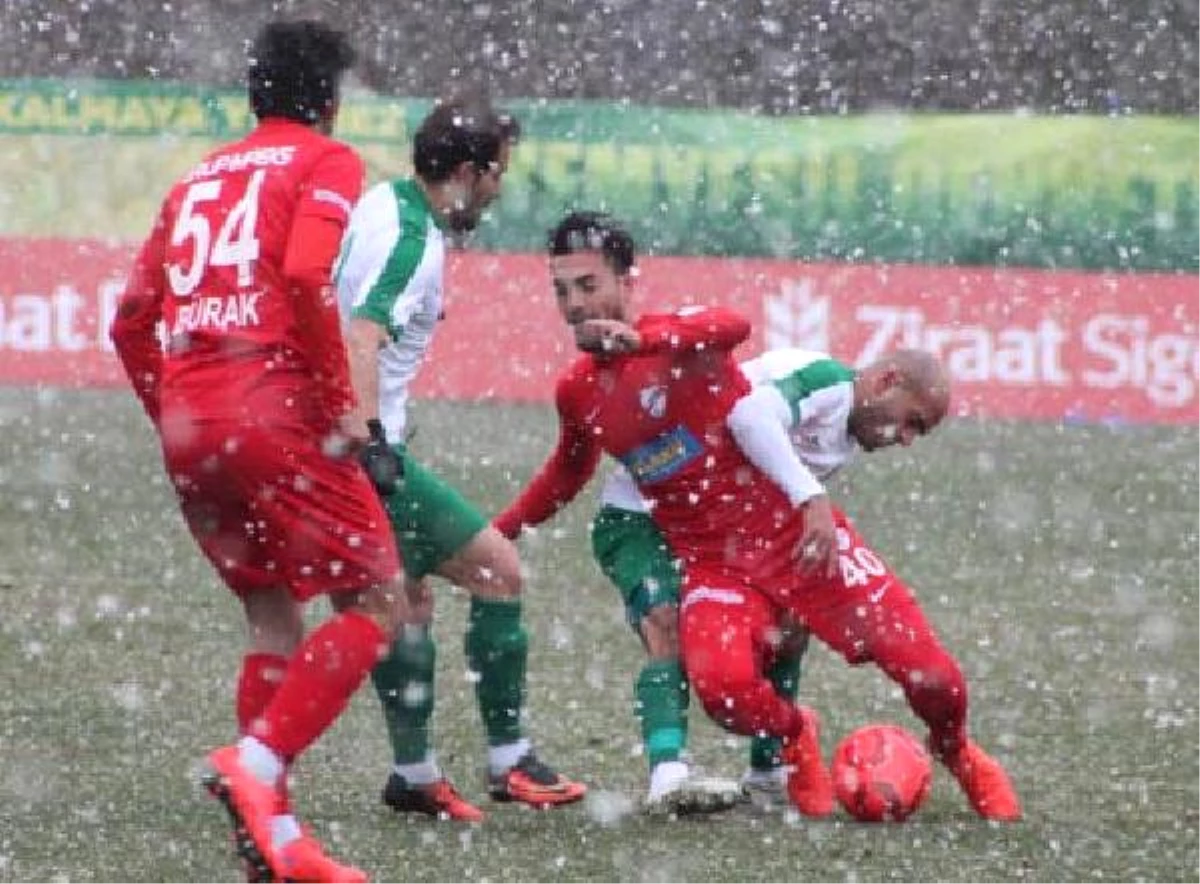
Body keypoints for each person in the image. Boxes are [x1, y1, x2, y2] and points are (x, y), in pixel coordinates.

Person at [494, 211, 1022, 821]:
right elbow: (567, 471)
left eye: (588, 287)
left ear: (626, 281)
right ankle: (789, 736)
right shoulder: (578, 390)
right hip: (714, 558)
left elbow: (733, 325)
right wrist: (498, 531)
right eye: (562, 292)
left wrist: (641, 340)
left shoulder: (680, 335)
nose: (575, 305)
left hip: (798, 541)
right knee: (720, 689)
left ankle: (955, 751)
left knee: (936, 677)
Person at [109, 20, 410, 881]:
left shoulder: (199, 176)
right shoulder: (326, 161)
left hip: (192, 423)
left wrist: (174, 411)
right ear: (331, 98)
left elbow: (130, 321)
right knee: (379, 601)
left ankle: (271, 844)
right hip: (270, 411)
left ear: (255, 95)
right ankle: (261, 768)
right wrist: (341, 405)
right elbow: (309, 275)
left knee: (272, 615)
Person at [334, 96, 585, 823]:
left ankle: (413, 774)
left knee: (406, 602)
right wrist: (376, 442)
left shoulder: (381, 202)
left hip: (340, 440)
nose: (500, 188)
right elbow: (363, 333)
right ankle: (510, 762)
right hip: (362, 449)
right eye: (498, 173)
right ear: (470, 172)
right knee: (498, 572)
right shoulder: (412, 239)